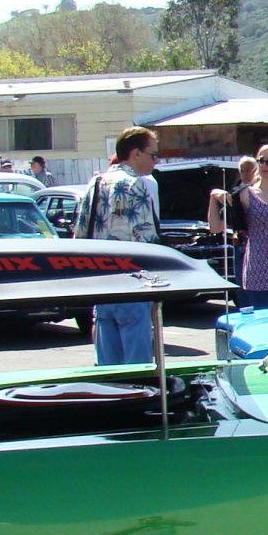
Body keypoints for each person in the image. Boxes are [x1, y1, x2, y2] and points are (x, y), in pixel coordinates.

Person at [75, 127, 162, 365]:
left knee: (108, 366)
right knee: (138, 366)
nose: (156, 161)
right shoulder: (136, 184)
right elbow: (147, 241)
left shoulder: (95, 183)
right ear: (135, 153)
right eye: (153, 155)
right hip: (131, 282)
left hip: (102, 283)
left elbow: (80, 233)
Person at [208, 145, 268, 310]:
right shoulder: (245, 194)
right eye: (260, 161)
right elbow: (215, 228)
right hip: (260, 271)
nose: (264, 165)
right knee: (267, 327)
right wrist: (213, 198)